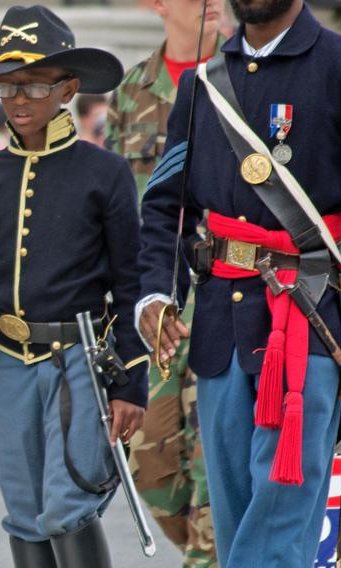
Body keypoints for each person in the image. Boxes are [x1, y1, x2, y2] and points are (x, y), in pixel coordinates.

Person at [137, 0, 341, 566]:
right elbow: (165, 204)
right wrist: (158, 292)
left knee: (282, 509)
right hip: (220, 324)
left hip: (311, 317)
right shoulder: (203, 84)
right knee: (236, 512)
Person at [0, 6, 148, 567]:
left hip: (80, 356)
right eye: (6, 86)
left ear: (68, 89)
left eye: (33, 83)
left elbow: (131, 283)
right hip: (9, 359)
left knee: (66, 507)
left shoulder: (104, 173)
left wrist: (132, 384)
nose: (18, 99)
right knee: (24, 512)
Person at [104, 0, 223, 564]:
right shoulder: (134, 88)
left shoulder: (238, 75)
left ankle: (210, 555)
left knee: (213, 459)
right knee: (151, 466)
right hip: (155, 303)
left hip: (226, 290)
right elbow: (116, 201)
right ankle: (204, 549)